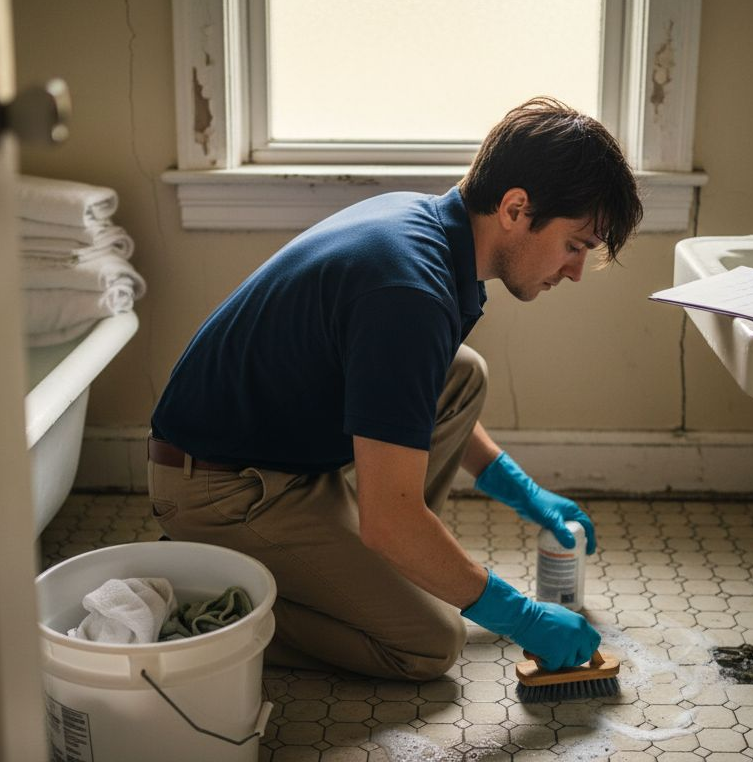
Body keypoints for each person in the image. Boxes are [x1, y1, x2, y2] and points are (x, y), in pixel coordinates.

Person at [148, 97, 643, 681]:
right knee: (428, 644)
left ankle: (385, 568)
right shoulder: (409, 293)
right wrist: (522, 616)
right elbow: (388, 520)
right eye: (575, 245)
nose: (575, 271)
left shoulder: (428, 227)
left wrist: (522, 492)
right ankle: (204, 607)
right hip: (222, 491)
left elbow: (414, 390)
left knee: (462, 375)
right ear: (515, 208)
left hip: (282, 459)